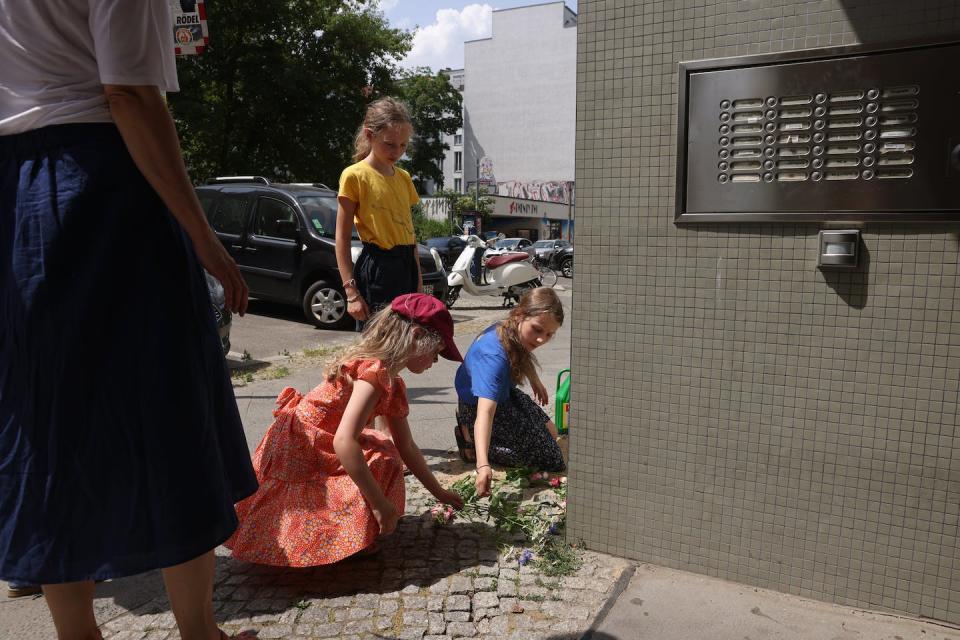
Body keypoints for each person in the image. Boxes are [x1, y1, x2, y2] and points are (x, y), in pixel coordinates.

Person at [0, 2, 257, 639]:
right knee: (166, 412)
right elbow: (129, 95)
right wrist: (205, 239)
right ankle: (199, 632)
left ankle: (76, 632)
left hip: (14, 193)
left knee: (47, 420)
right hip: (103, 187)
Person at [226, 294, 464, 566]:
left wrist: (440, 493)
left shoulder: (392, 382)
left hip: (324, 440)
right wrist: (378, 503)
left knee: (386, 452)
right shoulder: (373, 373)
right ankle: (344, 534)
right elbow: (343, 442)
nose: (436, 360)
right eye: (437, 350)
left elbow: (406, 446)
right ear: (417, 336)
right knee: (378, 457)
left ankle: (356, 531)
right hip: (301, 445)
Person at [454, 288, 566, 496]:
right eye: (538, 329)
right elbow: (485, 413)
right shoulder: (493, 357)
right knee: (552, 458)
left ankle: (479, 438)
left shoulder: (511, 330)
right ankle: (468, 438)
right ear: (520, 315)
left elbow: (521, 354)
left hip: (504, 394)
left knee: (552, 433)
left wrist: (535, 380)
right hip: (477, 407)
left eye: (549, 334)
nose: (542, 339)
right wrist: (483, 465)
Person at [335, 97, 422, 326]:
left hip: (406, 267)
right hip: (378, 269)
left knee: (401, 347)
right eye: (390, 144)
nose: (397, 151)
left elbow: (410, 236)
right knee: (376, 351)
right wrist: (351, 293)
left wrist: (419, 285)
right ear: (369, 135)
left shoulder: (403, 178)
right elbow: (342, 238)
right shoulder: (355, 175)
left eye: (403, 145)